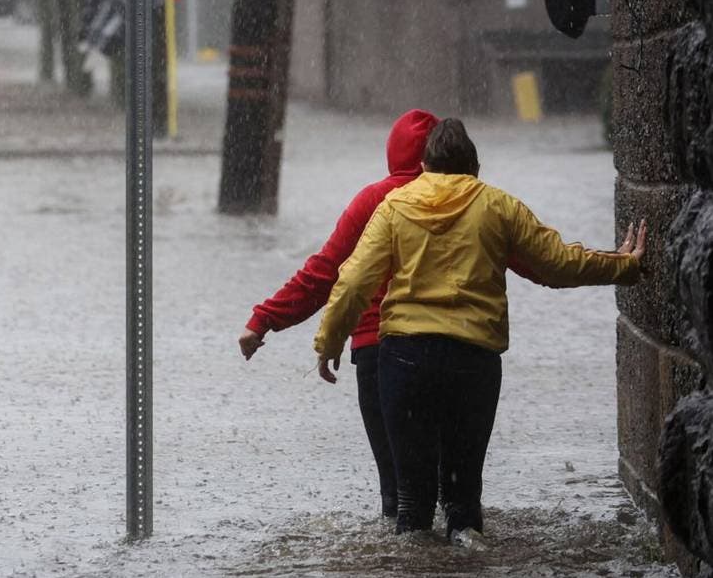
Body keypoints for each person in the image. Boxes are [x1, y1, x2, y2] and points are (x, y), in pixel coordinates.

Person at [312, 118, 646, 539]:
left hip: (405, 360)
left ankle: (410, 566)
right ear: (473, 165)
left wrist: (329, 342)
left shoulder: (395, 208)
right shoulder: (498, 206)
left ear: (426, 165)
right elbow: (557, 264)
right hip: (472, 362)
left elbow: (354, 281)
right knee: (462, 498)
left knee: (412, 504)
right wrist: (624, 265)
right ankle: (469, 552)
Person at [239, 109, 439, 518]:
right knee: (451, 484)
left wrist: (264, 319)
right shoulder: (465, 200)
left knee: (398, 488)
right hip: (448, 350)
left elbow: (324, 275)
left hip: (377, 354)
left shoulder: (372, 201)